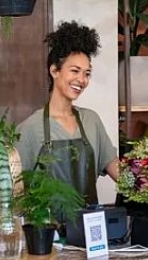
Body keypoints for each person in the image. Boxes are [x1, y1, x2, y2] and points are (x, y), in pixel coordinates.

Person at [15, 21, 119, 209]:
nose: (82, 80)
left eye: (87, 73)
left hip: (89, 230)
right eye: (75, 71)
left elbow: (118, 171)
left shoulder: (91, 121)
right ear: (54, 70)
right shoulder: (30, 128)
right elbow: (16, 192)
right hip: (47, 234)